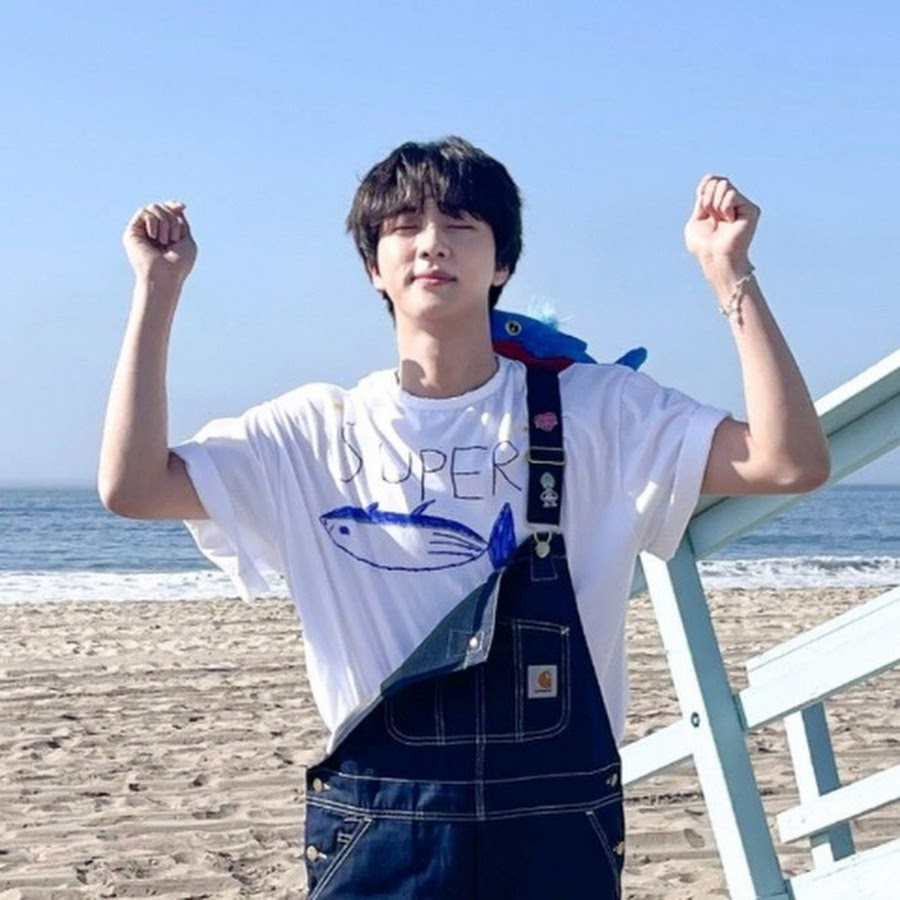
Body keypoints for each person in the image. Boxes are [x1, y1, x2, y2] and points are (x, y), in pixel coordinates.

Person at [99, 136, 829, 899]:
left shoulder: (598, 411)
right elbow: (134, 486)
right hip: (378, 830)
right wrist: (157, 290)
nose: (432, 243)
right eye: (404, 226)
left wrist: (729, 271)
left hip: (554, 829)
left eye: (460, 224)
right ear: (372, 266)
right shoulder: (311, 435)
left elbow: (788, 461)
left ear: (503, 262)